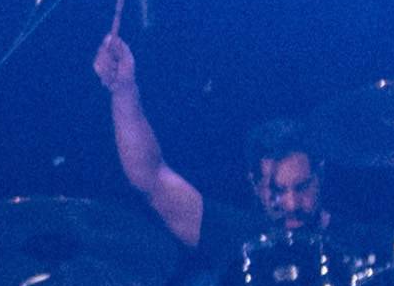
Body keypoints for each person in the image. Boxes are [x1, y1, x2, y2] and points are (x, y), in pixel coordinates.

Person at [94, 29, 321, 255]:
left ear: (318, 179)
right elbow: (150, 177)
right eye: (277, 191)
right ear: (255, 185)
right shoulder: (239, 236)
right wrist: (124, 89)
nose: (292, 204)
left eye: (302, 187)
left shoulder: (350, 239)